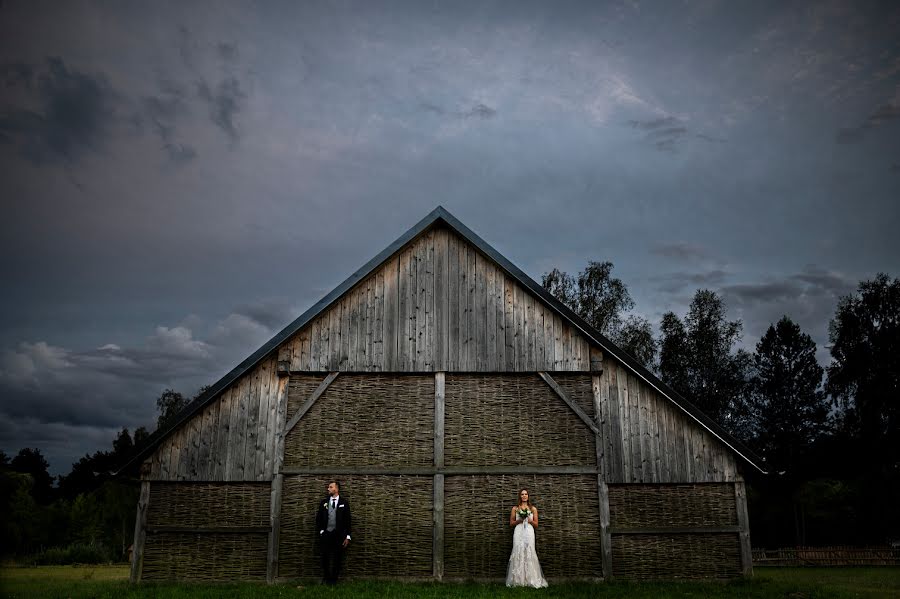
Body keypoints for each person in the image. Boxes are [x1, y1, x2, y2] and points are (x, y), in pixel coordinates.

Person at [506, 488, 548, 588]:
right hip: (518, 531)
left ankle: (530, 578)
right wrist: (519, 520)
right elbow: (511, 523)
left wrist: (529, 520)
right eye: (522, 494)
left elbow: (536, 524)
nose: (524, 496)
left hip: (529, 531)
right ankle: (518, 579)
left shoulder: (533, 509)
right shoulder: (515, 508)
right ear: (520, 496)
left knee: (529, 551)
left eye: (526, 494)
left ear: (528, 496)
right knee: (518, 551)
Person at [316, 480, 351, 584]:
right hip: (326, 533)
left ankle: (334, 580)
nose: (328, 489)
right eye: (328, 487)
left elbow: (348, 520)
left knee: (337, 558)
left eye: (330, 487)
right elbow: (318, 519)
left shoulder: (344, 503)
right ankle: (326, 578)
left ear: (336, 489)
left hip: (339, 535)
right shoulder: (324, 502)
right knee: (325, 557)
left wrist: (348, 536)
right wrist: (322, 531)